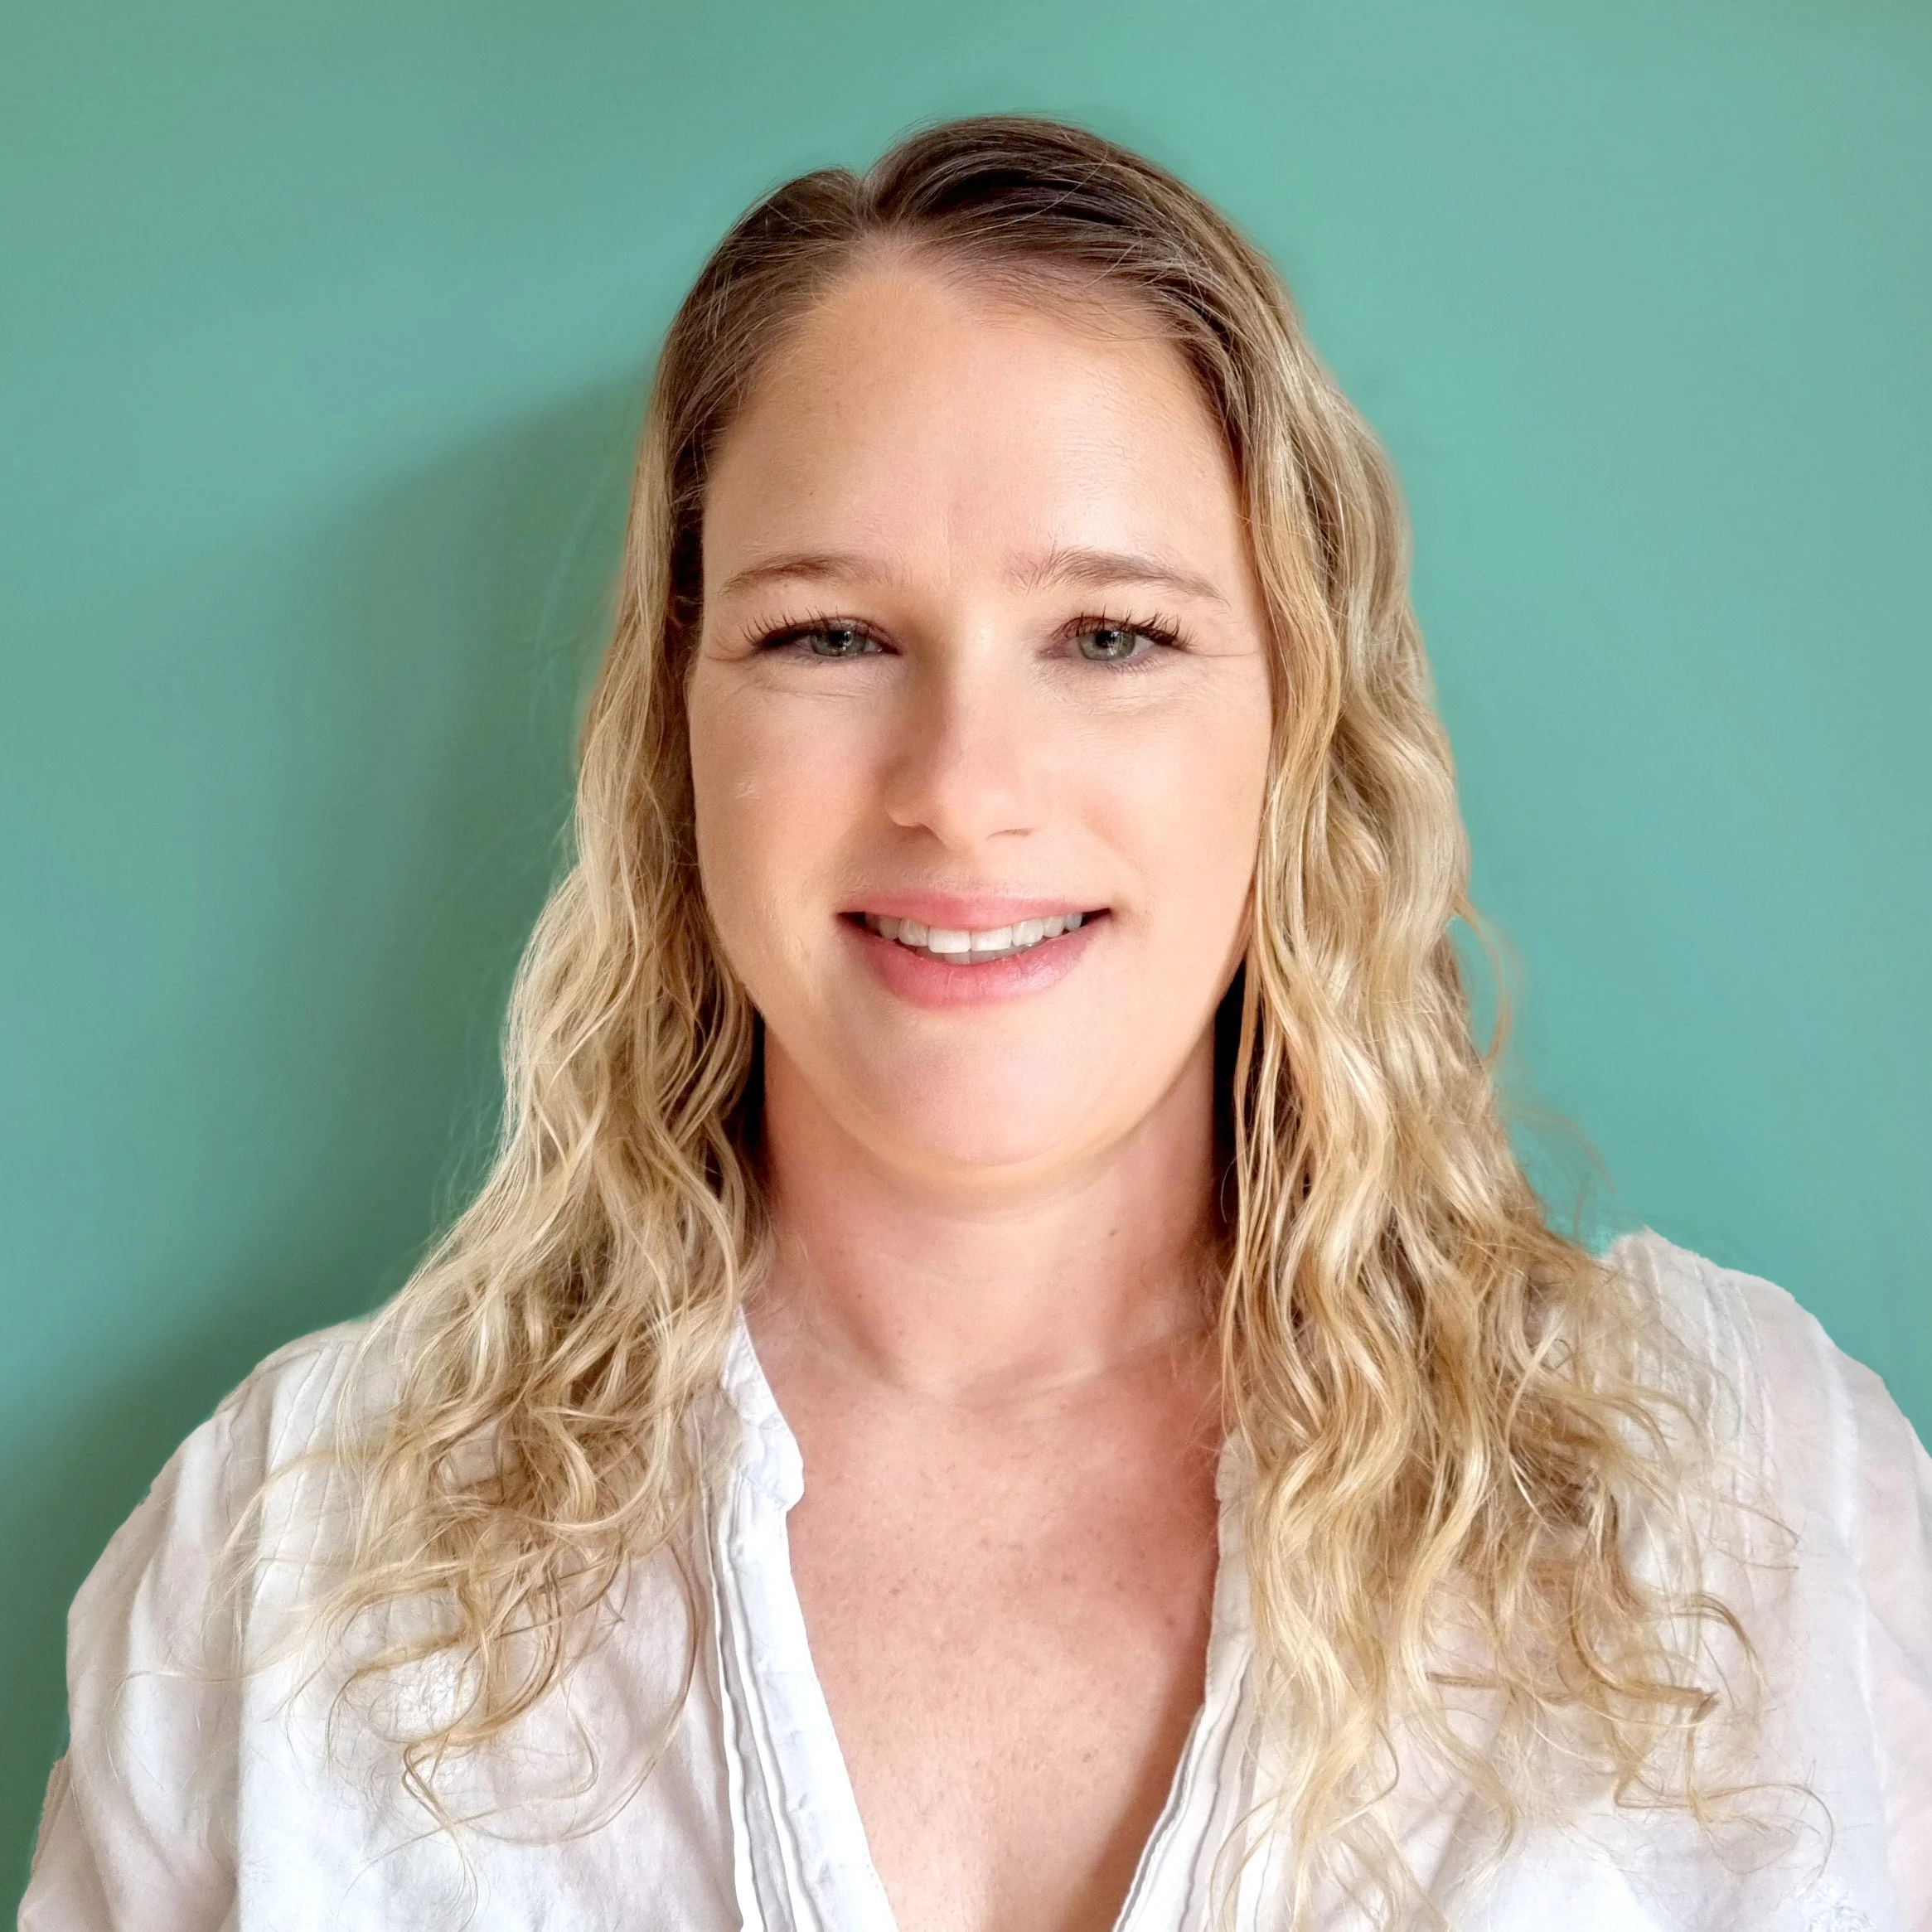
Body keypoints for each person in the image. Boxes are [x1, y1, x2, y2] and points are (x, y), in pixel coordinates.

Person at [21, 115, 1930, 1932]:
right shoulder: (289, 1568)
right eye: (829, 635)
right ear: (676, 727)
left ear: (1295, 727)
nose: (961, 786)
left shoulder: (1749, 1511)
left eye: (1111, 637)